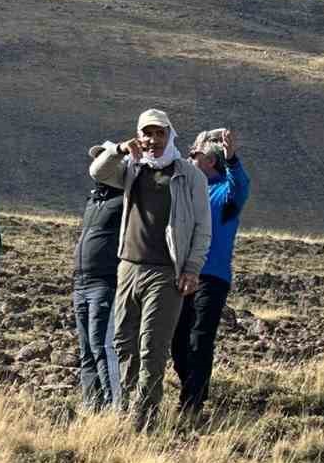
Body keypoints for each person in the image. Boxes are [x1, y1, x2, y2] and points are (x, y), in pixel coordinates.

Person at [88, 108, 211, 431]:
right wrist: (118, 149)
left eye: (160, 133)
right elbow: (98, 172)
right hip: (128, 267)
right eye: (147, 133)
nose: (153, 140)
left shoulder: (189, 175)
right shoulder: (131, 168)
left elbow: (202, 227)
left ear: (170, 135)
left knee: (152, 347)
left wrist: (192, 268)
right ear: (139, 135)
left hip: (165, 272)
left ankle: (144, 417)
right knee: (123, 342)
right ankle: (128, 407)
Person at [172, 127, 252, 417]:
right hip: (182, 272)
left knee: (200, 337)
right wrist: (202, 137)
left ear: (211, 162)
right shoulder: (187, 188)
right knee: (177, 338)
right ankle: (194, 387)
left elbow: (240, 186)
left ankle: (191, 403)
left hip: (212, 276)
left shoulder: (225, 194)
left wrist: (232, 158)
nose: (190, 157)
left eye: (197, 155)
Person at [71, 145, 125, 411]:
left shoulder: (125, 199)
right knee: (86, 349)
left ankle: (115, 406)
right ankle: (93, 407)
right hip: (80, 282)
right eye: (96, 158)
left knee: (102, 345)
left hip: (105, 281)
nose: (99, 164)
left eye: (104, 158)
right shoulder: (94, 200)